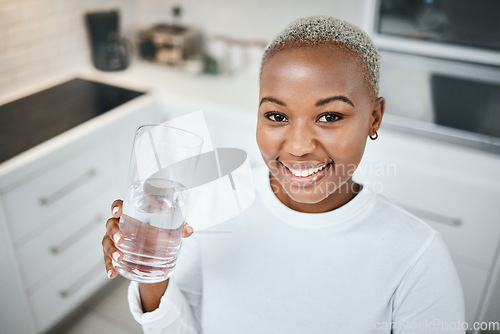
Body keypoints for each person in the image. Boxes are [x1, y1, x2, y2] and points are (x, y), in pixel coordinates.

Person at [102, 16, 465, 333]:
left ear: (375, 117)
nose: (298, 146)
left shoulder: (417, 256)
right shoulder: (212, 205)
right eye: (276, 116)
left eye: (330, 116)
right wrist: (152, 276)